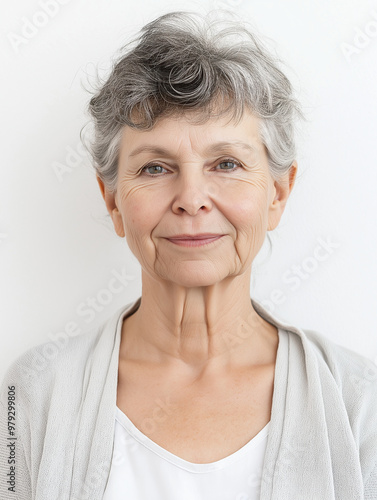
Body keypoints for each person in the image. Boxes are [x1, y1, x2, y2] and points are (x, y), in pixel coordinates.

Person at [1, 9, 377, 500]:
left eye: (226, 163)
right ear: (113, 200)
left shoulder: (359, 404)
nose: (192, 198)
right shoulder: (27, 398)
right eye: (156, 167)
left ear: (278, 195)